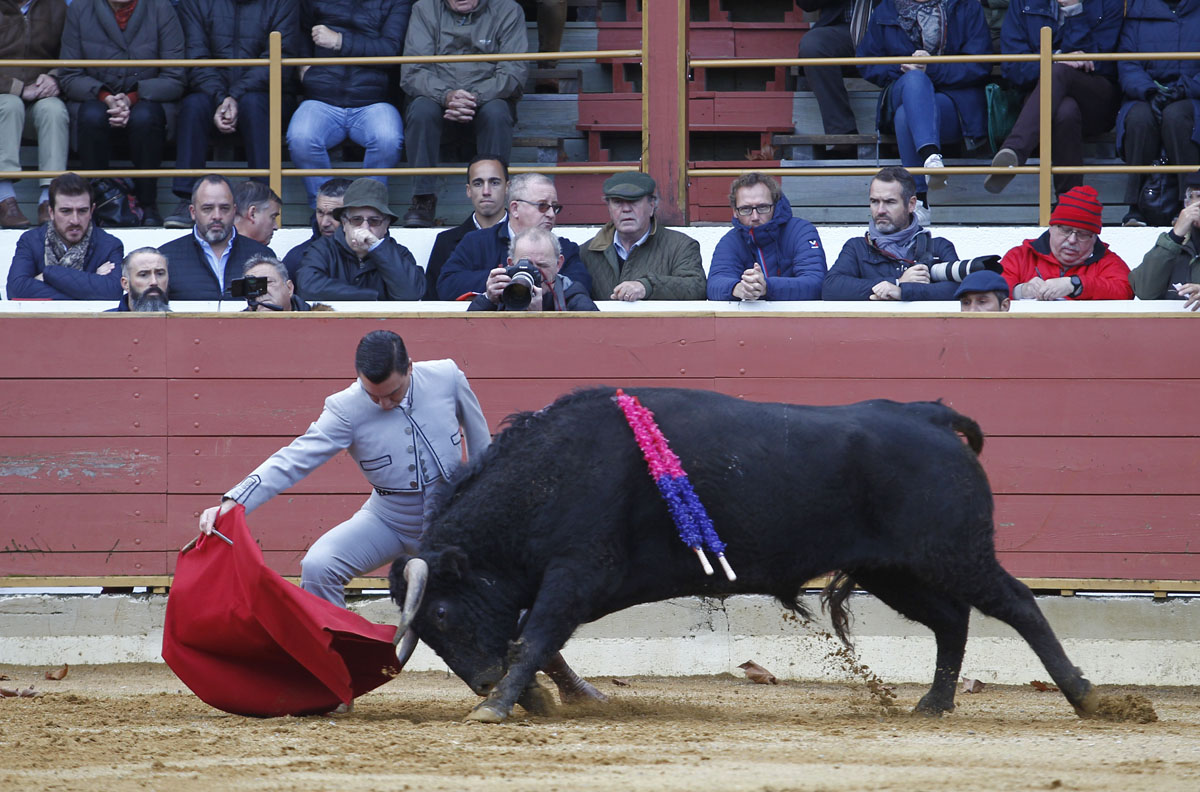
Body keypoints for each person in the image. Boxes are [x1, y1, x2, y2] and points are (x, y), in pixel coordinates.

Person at [197, 329, 603, 702]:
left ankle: (567, 681)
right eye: (373, 395)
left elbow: (484, 449)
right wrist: (234, 501)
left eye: (392, 393)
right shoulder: (345, 408)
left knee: (507, 594)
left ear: (409, 368)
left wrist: (491, 516)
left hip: (458, 524)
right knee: (319, 565)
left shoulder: (445, 377)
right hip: (389, 517)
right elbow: (294, 459)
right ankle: (335, 681)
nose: (383, 403)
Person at [164, 0, 299, 228]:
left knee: (254, 104)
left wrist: (233, 96)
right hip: (211, 91)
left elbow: (279, 60)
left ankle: (262, 201)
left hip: (264, 92)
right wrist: (221, 98)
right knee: (193, 106)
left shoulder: (281, 3)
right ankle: (188, 200)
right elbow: (196, 58)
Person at [856, 0, 991, 225]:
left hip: (954, 102)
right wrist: (902, 66)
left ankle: (919, 201)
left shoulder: (966, 6)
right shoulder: (886, 9)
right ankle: (931, 157)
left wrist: (932, 68)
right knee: (915, 80)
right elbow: (867, 64)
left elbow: (980, 65)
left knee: (904, 116)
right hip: (903, 87)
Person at [399, 0, 529, 227]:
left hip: (487, 101)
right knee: (420, 109)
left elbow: (514, 71)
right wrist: (446, 96)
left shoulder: (508, 9)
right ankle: (423, 198)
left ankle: (494, 202)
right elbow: (413, 71)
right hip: (439, 103)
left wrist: (474, 97)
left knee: (497, 112)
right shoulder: (425, 8)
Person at [56, 0, 185, 226]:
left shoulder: (160, 8)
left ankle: (148, 205)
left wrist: (130, 98)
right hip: (95, 98)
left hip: (147, 98)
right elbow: (69, 75)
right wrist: (106, 97)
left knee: (145, 117)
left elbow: (175, 77)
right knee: (92, 116)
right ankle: (96, 204)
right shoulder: (80, 8)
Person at [985, 0, 1123, 198]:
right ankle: (1068, 204)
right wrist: (1057, 59)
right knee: (1065, 110)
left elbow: (1102, 64)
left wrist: (1075, 12)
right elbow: (1013, 68)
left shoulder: (1109, 3)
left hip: (1095, 99)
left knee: (1059, 71)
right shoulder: (1023, 2)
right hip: (1041, 100)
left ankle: (1014, 151)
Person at [287, 0, 410, 207]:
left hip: (373, 100)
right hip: (321, 97)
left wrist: (340, 41)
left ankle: (369, 209)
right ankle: (326, 211)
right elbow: (300, 31)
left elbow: (391, 49)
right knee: (301, 138)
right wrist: (303, 68)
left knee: (387, 139)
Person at [437, 172, 591, 299]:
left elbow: (582, 287)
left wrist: (536, 283)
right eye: (543, 206)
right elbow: (446, 285)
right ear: (515, 209)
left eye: (555, 207)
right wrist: (498, 280)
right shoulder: (475, 242)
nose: (551, 214)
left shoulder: (565, 248)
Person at [1114, 0, 1200, 227]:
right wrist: (1149, 91)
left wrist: (1185, 88)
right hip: (1146, 93)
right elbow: (1127, 61)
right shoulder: (1138, 11)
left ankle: (1188, 205)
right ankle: (1135, 208)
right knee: (1138, 119)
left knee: (1177, 117)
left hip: (1193, 96)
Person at [823, 166, 963, 300]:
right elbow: (831, 288)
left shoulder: (939, 246)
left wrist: (903, 291)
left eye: (890, 202)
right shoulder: (856, 247)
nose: (880, 210)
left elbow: (958, 289)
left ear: (911, 204)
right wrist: (897, 282)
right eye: (874, 201)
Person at [580, 172, 705, 302]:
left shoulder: (681, 246)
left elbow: (697, 287)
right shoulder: (586, 252)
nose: (626, 209)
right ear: (609, 209)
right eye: (617, 202)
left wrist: (647, 287)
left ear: (652, 206)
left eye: (634, 201)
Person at [295, 177, 425, 301]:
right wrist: (372, 297)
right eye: (356, 220)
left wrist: (378, 249)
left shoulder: (399, 253)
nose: (365, 228)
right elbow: (307, 288)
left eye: (374, 221)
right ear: (344, 223)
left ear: (386, 226)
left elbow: (412, 293)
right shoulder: (321, 249)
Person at [0, 0, 68, 228]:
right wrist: (17, 88)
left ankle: (50, 199)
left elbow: (71, 52)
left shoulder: (56, 6)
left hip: (39, 94)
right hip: (5, 96)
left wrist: (55, 77)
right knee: (10, 105)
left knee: (54, 109)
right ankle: (4, 198)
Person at [1000, 185, 1133, 300]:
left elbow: (1126, 290)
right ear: (1051, 228)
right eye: (1065, 230)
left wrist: (1076, 285)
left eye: (1082, 234)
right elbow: (994, 290)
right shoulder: (1020, 256)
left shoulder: (1108, 261)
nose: (1072, 240)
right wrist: (1021, 290)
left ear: (1094, 237)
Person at [707, 172, 825, 301]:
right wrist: (738, 288)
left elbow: (816, 283)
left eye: (763, 207)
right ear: (735, 212)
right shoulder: (731, 241)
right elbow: (714, 284)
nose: (755, 217)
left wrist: (767, 287)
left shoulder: (801, 231)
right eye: (745, 209)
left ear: (776, 205)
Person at [7, 173, 124, 300]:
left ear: (91, 211)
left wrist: (49, 273)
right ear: (51, 212)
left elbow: (113, 292)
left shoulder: (110, 245)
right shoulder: (30, 240)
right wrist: (91, 282)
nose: (75, 220)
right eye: (66, 211)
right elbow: (15, 291)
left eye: (82, 211)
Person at [159, 174, 275, 300]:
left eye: (224, 208)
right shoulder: (166, 258)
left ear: (234, 210)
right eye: (207, 208)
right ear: (193, 212)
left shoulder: (263, 256)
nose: (217, 216)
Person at [795, 0, 876, 157]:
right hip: (842, 31)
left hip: (894, 27)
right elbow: (806, 3)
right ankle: (843, 135)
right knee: (813, 45)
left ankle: (902, 134)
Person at [425, 155, 510, 299]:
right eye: (478, 183)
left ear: (507, 187)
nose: (486, 191)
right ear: (468, 190)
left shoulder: (525, 238)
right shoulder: (445, 241)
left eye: (494, 182)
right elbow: (432, 299)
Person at [469, 227, 598, 311]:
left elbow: (596, 337)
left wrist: (538, 318)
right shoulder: (501, 292)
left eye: (542, 265)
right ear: (511, 264)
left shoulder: (572, 296)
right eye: (527, 265)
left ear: (558, 264)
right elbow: (467, 332)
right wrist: (488, 299)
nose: (535, 273)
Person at [1129, 171, 1200, 307]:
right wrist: (1174, 236)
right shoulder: (1175, 245)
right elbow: (1144, 291)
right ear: (1186, 204)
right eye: (1195, 197)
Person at [281, 177, 352, 287]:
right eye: (320, 212)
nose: (324, 223)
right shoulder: (296, 258)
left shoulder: (373, 252)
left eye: (333, 215)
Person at [238, 254, 311, 311]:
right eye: (252, 286)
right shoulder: (237, 324)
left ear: (289, 288)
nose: (261, 291)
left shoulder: (316, 320)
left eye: (268, 282)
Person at [107, 247, 170, 312]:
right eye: (143, 275)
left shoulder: (176, 318)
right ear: (125, 284)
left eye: (160, 274)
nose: (154, 282)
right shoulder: (105, 318)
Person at [233, 181, 283, 247]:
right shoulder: (262, 252)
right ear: (252, 214)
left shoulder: (220, 249)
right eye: (273, 217)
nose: (276, 227)